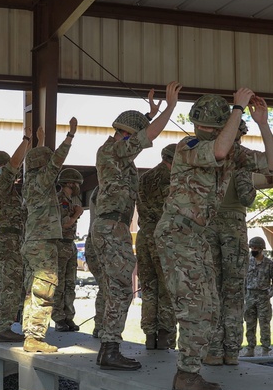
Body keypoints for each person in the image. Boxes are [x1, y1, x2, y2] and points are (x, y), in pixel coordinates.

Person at [156, 89, 265, 390]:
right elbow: (217, 151)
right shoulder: (188, 146)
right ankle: (187, 374)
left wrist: (264, 123)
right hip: (179, 232)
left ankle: (190, 371)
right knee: (197, 306)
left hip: (197, 236)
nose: (203, 130)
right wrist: (238, 108)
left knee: (211, 304)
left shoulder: (232, 152)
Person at [93, 82, 181, 370]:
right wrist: (169, 108)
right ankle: (110, 348)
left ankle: (108, 346)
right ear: (123, 135)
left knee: (114, 287)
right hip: (111, 226)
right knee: (119, 287)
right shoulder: (112, 150)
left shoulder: (116, 150)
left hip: (111, 226)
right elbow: (147, 135)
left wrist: (149, 113)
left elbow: (140, 134)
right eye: (131, 135)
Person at [205, 112, 273, 366]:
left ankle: (213, 350)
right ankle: (231, 351)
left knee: (213, 288)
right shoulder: (240, 159)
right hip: (234, 227)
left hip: (208, 224)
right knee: (234, 292)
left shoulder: (209, 153)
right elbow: (247, 198)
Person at [21, 119, 77, 353]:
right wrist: (69, 137)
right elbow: (55, 163)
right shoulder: (42, 181)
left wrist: (39, 140)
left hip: (33, 241)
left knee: (32, 290)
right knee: (45, 288)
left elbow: (44, 160)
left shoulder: (30, 182)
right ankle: (35, 337)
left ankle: (29, 333)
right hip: (43, 242)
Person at [0, 131, 30, 343]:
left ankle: (0, 323)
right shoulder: (2, 185)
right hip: (10, 239)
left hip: (11, 239)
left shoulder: (8, 189)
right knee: (12, 284)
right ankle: (4, 326)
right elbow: (14, 162)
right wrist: (27, 141)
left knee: (6, 282)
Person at [137, 143, 178, 350]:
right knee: (167, 288)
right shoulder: (173, 179)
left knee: (149, 289)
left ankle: (149, 335)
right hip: (164, 237)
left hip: (144, 237)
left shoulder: (143, 178)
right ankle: (165, 336)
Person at [52, 167, 84, 332]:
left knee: (70, 283)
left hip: (70, 243)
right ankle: (58, 318)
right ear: (69, 183)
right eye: (76, 183)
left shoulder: (72, 200)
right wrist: (76, 215)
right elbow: (64, 223)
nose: (78, 186)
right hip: (60, 243)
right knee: (60, 283)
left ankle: (68, 316)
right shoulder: (59, 200)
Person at [243, 236, 273, 357]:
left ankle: (265, 349)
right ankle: (250, 348)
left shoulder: (269, 264)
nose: (253, 249)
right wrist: (244, 294)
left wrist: (271, 293)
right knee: (250, 323)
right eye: (252, 247)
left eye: (255, 248)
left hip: (263, 297)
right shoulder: (248, 262)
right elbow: (243, 279)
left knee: (264, 323)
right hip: (250, 296)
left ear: (261, 249)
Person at [83, 186, 107, 339]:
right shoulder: (105, 189)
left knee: (105, 287)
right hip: (101, 241)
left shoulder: (97, 189)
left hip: (94, 240)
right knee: (108, 287)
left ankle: (101, 326)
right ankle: (103, 327)